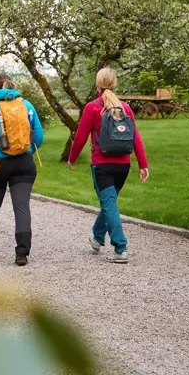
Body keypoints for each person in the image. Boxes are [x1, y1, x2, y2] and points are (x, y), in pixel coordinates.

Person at [68, 67, 149, 264]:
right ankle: (96, 238)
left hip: (102, 165)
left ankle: (121, 248)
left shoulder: (93, 107)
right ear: (114, 83)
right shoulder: (125, 108)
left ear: (97, 84)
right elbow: (135, 138)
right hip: (124, 165)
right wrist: (143, 164)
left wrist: (72, 157)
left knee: (109, 204)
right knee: (109, 203)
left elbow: (80, 137)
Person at [0, 73, 44, 266]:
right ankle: (22, 252)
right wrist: (26, 148)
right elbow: (38, 136)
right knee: (21, 207)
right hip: (24, 163)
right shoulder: (26, 105)